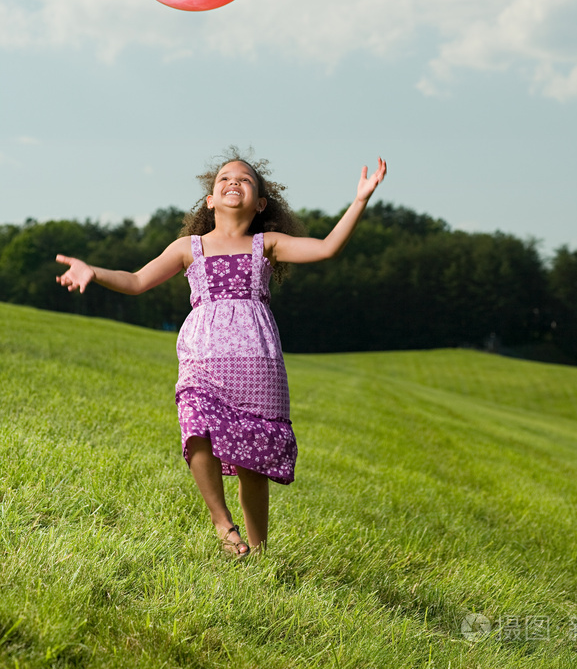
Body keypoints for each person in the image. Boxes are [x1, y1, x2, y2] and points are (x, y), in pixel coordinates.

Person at [55, 150, 387, 560]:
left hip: (258, 362)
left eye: (245, 180)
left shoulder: (268, 244)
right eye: (224, 179)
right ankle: (221, 522)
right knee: (195, 428)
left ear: (261, 203)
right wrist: (94, 271)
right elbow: (138, 279)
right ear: (209, 200)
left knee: (253, 460)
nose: (234, 182)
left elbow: (327, 248)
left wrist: (359, 200)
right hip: (202, 356)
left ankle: (259, 553)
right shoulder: (187, 247)